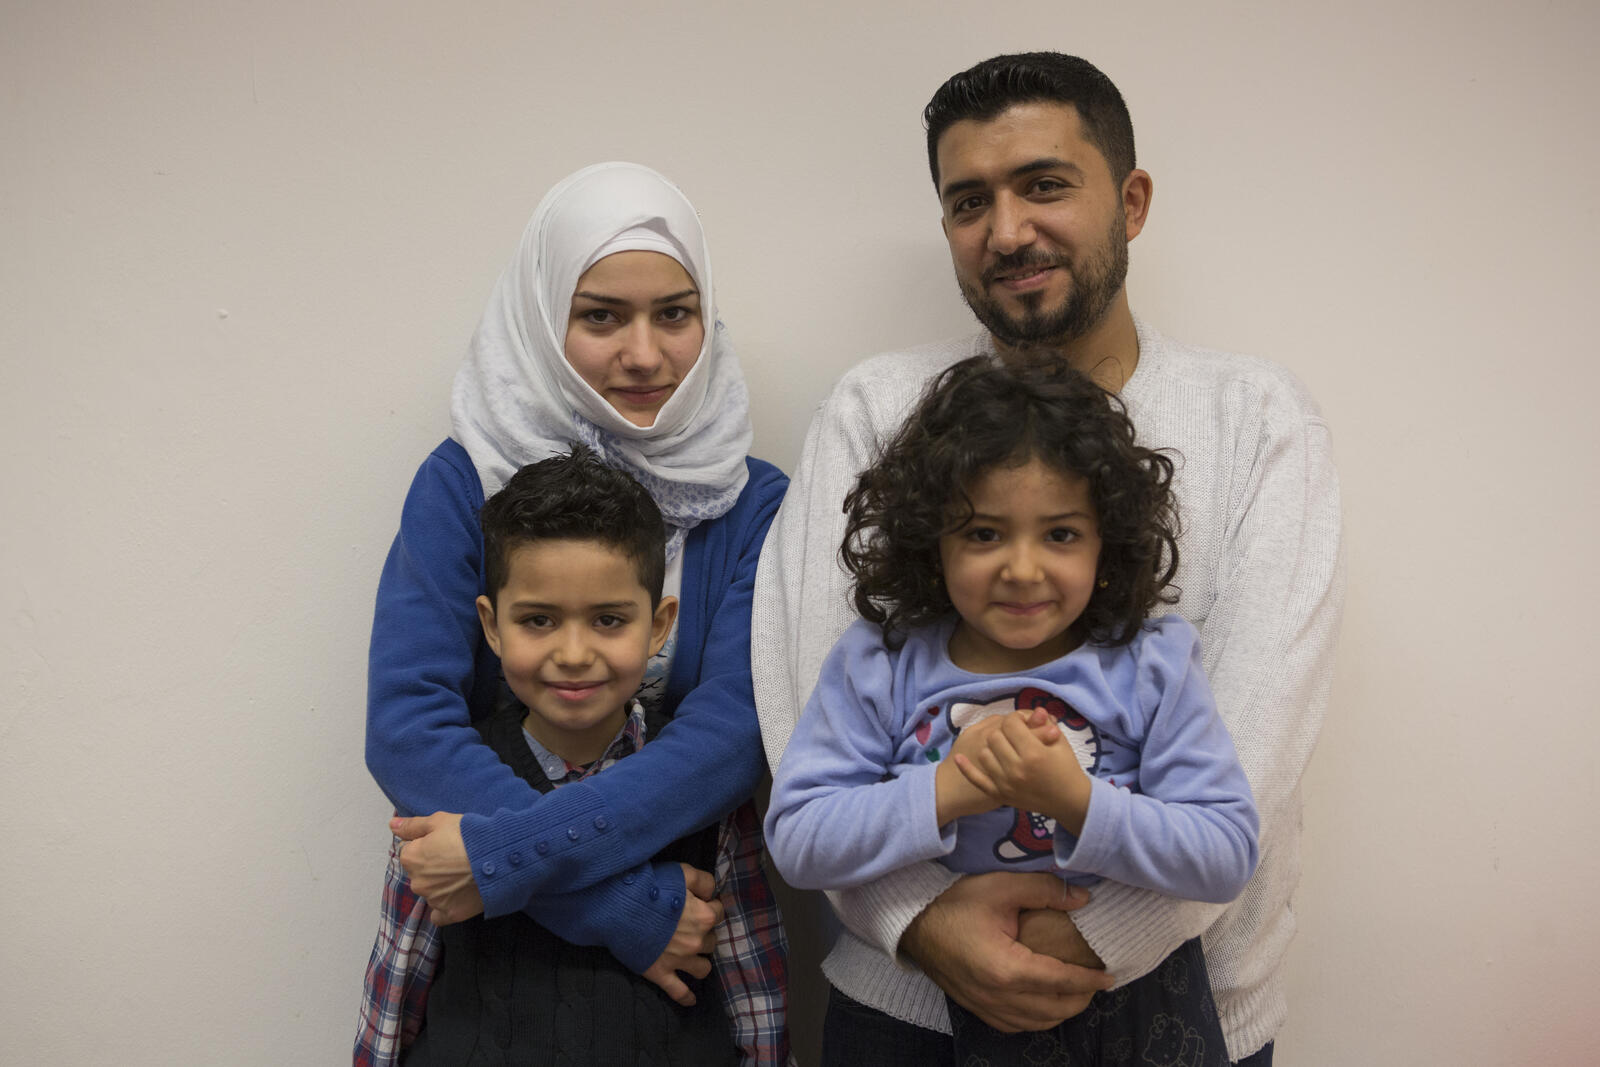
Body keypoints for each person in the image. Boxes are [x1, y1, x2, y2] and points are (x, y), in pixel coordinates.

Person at [751, 53, 1343, 1066]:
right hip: (902, 1013)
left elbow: (1253, 745)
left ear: (1131, 198)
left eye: (1045, 185)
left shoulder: (1258, 417)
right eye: (969, 200)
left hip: (1178, 1007)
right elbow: (806, 709)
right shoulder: (873, 409)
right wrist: (925, 926)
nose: (1008, 229)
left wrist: (1086, 938)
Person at [354, 162, 789, 1065]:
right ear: (544, 318)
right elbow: (406, 730)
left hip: (676, 980)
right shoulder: (463, 479)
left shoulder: (752, 503)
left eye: (674, 312)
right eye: (600, 316)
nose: (643, 353)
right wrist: (624, 909)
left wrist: (504, 857)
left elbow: (733, 735)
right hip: (509, 968)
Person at [765, 358, 1259, 1066]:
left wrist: (1072, 798)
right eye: (983, 533)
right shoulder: (882, 658)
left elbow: (1225, 853)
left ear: (1106, 542)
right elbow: (800, 837)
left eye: (1060, 534)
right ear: (931, 542)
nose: (1022, 569)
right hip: (921, 1024)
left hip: (1137, 1016)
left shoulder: (1152, 661)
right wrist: (951, 788)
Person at [403, 445, 755, 1062]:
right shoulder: (446, 794)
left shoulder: (709, 797)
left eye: (608, 620)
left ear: (659, 625)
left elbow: (757, 989)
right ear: (491, 626)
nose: (572, 653)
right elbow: (397, 980)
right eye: (538, 620)